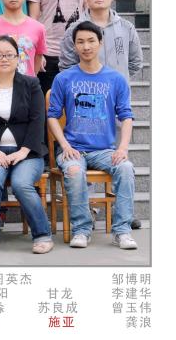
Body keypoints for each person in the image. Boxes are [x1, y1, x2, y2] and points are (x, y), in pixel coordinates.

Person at [48, 21, 137, 250]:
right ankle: (81, 230)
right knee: (74, 171)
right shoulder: (64, 79)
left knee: (126, 168)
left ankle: (122, 231)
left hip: (104, 150)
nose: (86, 46)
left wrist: (122, 148)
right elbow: (52, 116)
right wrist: (65, 145)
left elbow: (127, 116)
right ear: (74, 46)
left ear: (100, 43)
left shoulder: (116, 79)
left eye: (90, 41)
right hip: (74, 149)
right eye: (80, 42)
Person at [0, 35, 53, 254]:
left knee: (21, 184)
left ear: (18, 58)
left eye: (9, 55)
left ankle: (43, 235)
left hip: (28, 152)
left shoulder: (31, 84)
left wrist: (24, 151)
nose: (4, 59)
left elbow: (38, 120)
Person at [59, 0, 143, 80]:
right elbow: (67, 65)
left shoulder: (127, 27)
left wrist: (117, 79)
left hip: (118, 89)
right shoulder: (74, 29)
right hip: (87, 89)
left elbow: (136, 62)